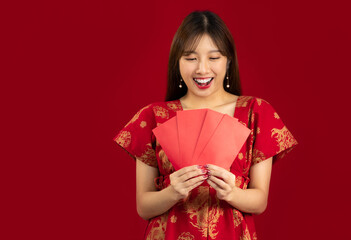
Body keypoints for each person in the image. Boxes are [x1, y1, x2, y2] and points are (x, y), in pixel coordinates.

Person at [113, 10, 298, 240]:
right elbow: (143, 206)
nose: (202, 69)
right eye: (190, 58)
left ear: (228, 60)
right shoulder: (153, 116)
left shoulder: (256, 113)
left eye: (214, 57)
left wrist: (231, 192)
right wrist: (172, 192)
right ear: (177, 62)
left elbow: (259, 202)